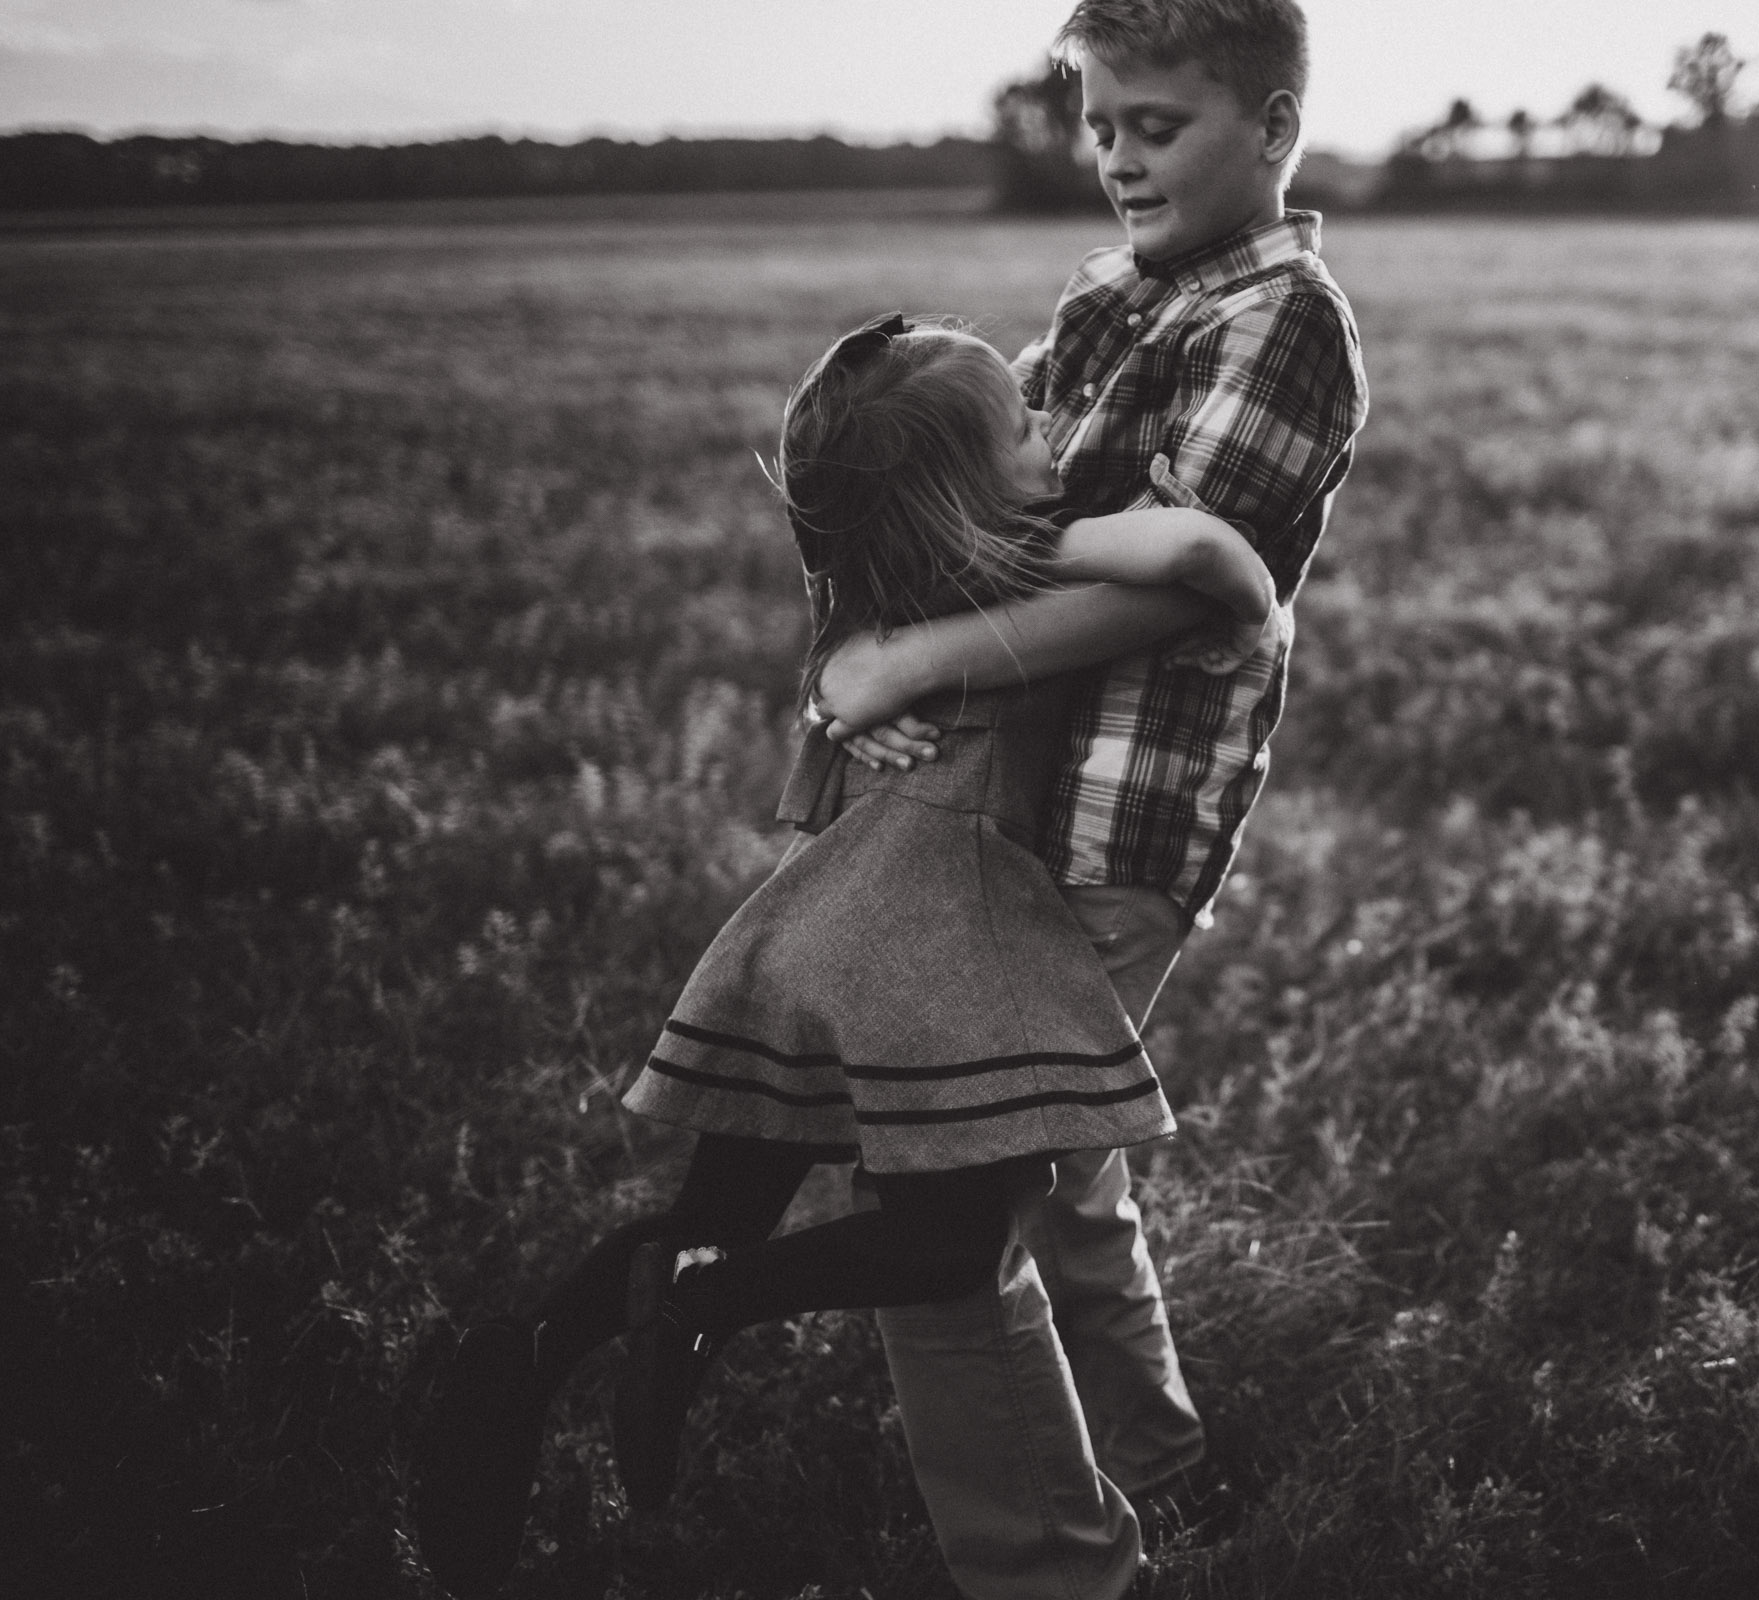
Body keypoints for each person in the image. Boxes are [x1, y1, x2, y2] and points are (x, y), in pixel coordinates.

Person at [407, 312, 1279, 1600]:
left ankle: (507, 1373)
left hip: (812, 932)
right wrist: (1157, 555)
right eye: (1026, 425)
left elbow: (849, 684)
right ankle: (703, 1302)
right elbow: (1219, 560)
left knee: (708, 1215)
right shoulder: (1029, 566)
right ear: (964, 492)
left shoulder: (875, 603)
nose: (1052, 432)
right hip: (931, 944)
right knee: (937, 1251)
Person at [822, 0, 1369, 1591]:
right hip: (1021, 799)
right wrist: (873, 641)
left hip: (1128, 816)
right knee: (1060, 1166)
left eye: (1162, 125)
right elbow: (997, 511)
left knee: (942, 1192)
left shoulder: (1283, 316)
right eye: (1105, 121)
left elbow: (1193, 589)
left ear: (1270, 129)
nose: (1120, 157)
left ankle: (1050, 1566)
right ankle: (1152, 1461)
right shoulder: (1107, 294)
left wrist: (918, 662)